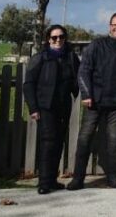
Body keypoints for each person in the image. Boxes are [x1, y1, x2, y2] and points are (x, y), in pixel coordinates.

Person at [67, 12, 116, 190]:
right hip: (94, 102)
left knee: (114, 140)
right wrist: (86, 94)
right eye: (114, 25)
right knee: (85, 139)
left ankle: (113, 177)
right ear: (109, 26)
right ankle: (78, 178)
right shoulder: (96, 45)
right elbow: (84, 71)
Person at [23, 24, 81, 194]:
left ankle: (53, 180)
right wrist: (33, 108)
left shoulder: (70, 57)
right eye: (54, 37)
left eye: (61, 37)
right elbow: (29, 85)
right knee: (47, 142)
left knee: (58, 142)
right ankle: (44, 182)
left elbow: (80, 76)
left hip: (63, 105)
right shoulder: (40, 57)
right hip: (45, 106)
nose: (58, 40)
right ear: (48, 39)